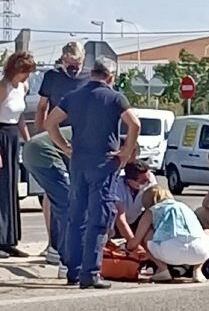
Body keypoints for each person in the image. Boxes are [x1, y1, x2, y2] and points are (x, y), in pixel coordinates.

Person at [45, 57, 141, 289]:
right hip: (104, 163)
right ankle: (91, 273)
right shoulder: (115, 98)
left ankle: (73, 271)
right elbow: (134, 124)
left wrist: (65, 148)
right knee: (99, 218)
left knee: (76, 216)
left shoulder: (74, 96)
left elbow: (50, 123)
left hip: (78, 162)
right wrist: (125, 153)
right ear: (110, 76)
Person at [34, 41, 89, 263]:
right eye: (69, 64)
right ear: (62, 60)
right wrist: (40, 135)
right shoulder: (52, 77)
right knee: (53, 190)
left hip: (81, 141)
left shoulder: (90, 77)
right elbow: (41, 107)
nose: (73, 68)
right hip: (55, 140)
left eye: (77, 64)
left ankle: (75, 242)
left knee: (79, 190)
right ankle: (52, 242)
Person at [127, 185, 209, 283]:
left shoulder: (152, 211)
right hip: (199, 252)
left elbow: (135, 242)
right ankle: (197, 269)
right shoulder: (184, 206)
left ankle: (162, 269)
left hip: (169, 251)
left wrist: (127, 247)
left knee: (146, 234)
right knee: (208, 232)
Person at [22, 127, 72, 275]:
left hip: (31, 150)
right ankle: (67, 261)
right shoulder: (96, 137)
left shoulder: (80, 127)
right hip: (43, 153)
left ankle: (55, 250)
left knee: (59, 203)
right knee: (68, 206)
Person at [0, 51, 35, 258]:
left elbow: (20, 117)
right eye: (24, 72)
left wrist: (29, 141)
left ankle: (9, 239)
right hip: (1, 135)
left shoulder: (23, 87)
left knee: (11, 188)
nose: (26, 76)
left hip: (13, 137)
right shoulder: (2, 87)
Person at [114, 160, 158, 240]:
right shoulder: (117, 186)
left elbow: (154, 208)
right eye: (143, 181)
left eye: (148, 179)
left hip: (139, 218)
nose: (148, 182)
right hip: (117, 223)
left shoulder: (151, 179)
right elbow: (120, 217)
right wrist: (132, 242)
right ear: (130, 181)